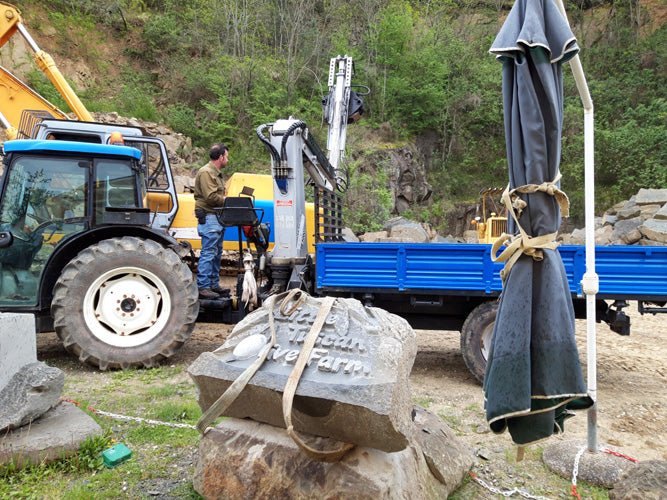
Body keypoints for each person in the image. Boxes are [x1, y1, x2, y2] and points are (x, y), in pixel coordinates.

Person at [194, 143, 229, 299]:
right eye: (226, 156)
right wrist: (227, 200)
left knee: (216, 252)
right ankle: (203, 287)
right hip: (209, 216)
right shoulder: (207, 172)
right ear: (220, 157)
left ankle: (213, 285)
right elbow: (210, 197)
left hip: (216, 217)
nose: (227, 159)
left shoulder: (215, 173)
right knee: (209, 252)